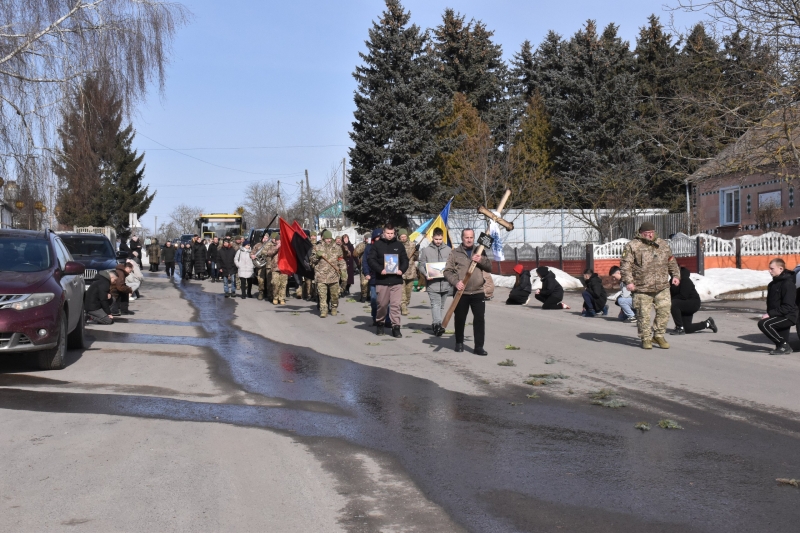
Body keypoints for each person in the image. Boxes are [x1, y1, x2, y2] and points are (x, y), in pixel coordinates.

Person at [619, 221, 680, 350]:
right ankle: (646, 338)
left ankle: (659, 335)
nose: (650, 236)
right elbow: (625, 266)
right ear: (641, 233)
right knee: (643, 315)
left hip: (662, 286)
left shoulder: (662, 244)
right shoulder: (633, 246)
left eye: (651, 233)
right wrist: (629, 282)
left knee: (664, 311)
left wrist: (675, 275)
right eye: (647, 233)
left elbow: (671, 261)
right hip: (642, 287)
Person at [443, 228, 491, 355]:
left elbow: (489, 267)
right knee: (460, 318)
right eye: (466, 237)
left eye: (471, 237)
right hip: (461, 293)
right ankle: (459, 342)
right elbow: (447, 271)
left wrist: (481, 260)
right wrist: (455, 282)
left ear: (474, 238)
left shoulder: (480, 250)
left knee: (479, 319)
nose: (469, 240)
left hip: (478, 291)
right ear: (462, 238)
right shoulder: (455, 253)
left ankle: (479, 347)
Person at [367, 223, 409, 337]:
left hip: (396, 280)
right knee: (382, 304)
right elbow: (371, 260)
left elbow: (405, 260)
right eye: (388, 233)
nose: (390, 235)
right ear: (384, 233)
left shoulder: (399, 245)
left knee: (395, 305)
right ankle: (380, 323)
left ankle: (396, 327)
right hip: (382, 280)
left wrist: (402, 270)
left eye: (392, 233)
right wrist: (380, 269)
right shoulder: (377, 245)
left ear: (394, 233)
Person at [757, 258, 797, 354]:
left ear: (781, 269)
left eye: (772, 269)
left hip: (788, 316)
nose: (769, 271)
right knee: (781, 344)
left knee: (764, 324)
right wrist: (771, 313)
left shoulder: (788, 284)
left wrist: (770, 314)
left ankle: (784, 346)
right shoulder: (772, 284)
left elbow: (788, 307)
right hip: (779, 314)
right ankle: (784, 346)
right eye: (769, 268)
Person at [418, 227, 452, 335]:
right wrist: (426, 274)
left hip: (445, 283)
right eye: (436, 239)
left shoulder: (448, 250)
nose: (438, 241)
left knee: (441, 305)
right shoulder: (426, 250)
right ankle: (437, 325)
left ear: (443, 238)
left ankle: (437, 323)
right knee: (435, 304)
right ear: (432, 238)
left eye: (440, 239)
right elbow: (421, 265)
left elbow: (452, 264)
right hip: (433, 283)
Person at [669, 266, 717, 335]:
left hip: (693, 303)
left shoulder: (685, 279)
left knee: (673, 303)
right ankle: (708, 323)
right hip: (683, 304)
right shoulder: (672, 281)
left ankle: (679, 327)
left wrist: (670, 301)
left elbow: (683, 296)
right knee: (687, 328)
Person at [311, 230, 347, 317]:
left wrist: (343, 271)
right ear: (323, 238)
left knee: (334, 295)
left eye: (330, 238)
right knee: (322, 295)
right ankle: (324, 310)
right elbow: (312, 261)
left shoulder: (337, 248)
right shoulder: (317, 247)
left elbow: (341, 260)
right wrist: (316, 256)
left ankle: (334, 307)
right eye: (327, 238)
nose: (329, 240)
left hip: (333, 276)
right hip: (321, 276)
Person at [399, 229, 419, 316]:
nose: (403, 238)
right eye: (401, 237)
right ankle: (403, 307)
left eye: (404, 236)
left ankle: (405, 304)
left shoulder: (412, 244)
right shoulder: (397, 245)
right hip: (400, 272)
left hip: (410, 271)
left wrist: (417, 251)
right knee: (402, 292)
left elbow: (416, 258)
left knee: (408, 293)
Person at [353, 233, 370, 302]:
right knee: (363, 282)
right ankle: (363, 295)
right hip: (363, 265)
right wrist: (363, 248)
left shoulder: (374, 244)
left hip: (372, 266)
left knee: (370, 282)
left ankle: (368, 295)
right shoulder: (361, 245)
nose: (368, 240)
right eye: (366, 239)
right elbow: (354, 254)